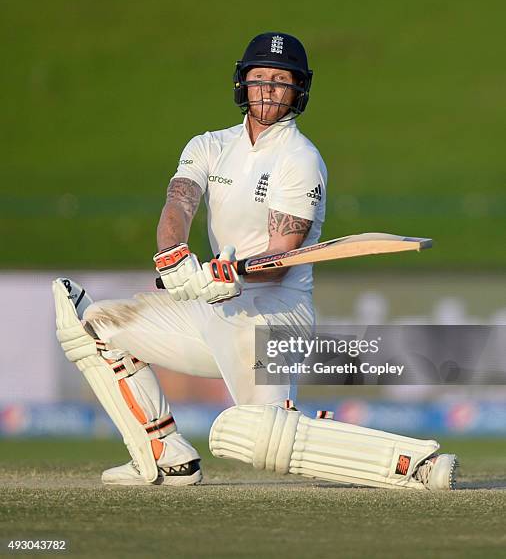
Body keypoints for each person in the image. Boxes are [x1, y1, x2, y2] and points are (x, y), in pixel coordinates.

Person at [53, 32, 457, 490]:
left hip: (273, 314)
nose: (268, 89)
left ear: (298, 90)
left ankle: (413, 464)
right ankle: (164, 458)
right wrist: (173, 255)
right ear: (242, 84)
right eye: (259, 78)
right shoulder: (209, 145)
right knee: (95, 325)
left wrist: (232, 273)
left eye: (280, 81)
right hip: (211, 308)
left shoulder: (299, 158)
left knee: (250, 434)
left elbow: (282, 256)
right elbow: (179, 203)